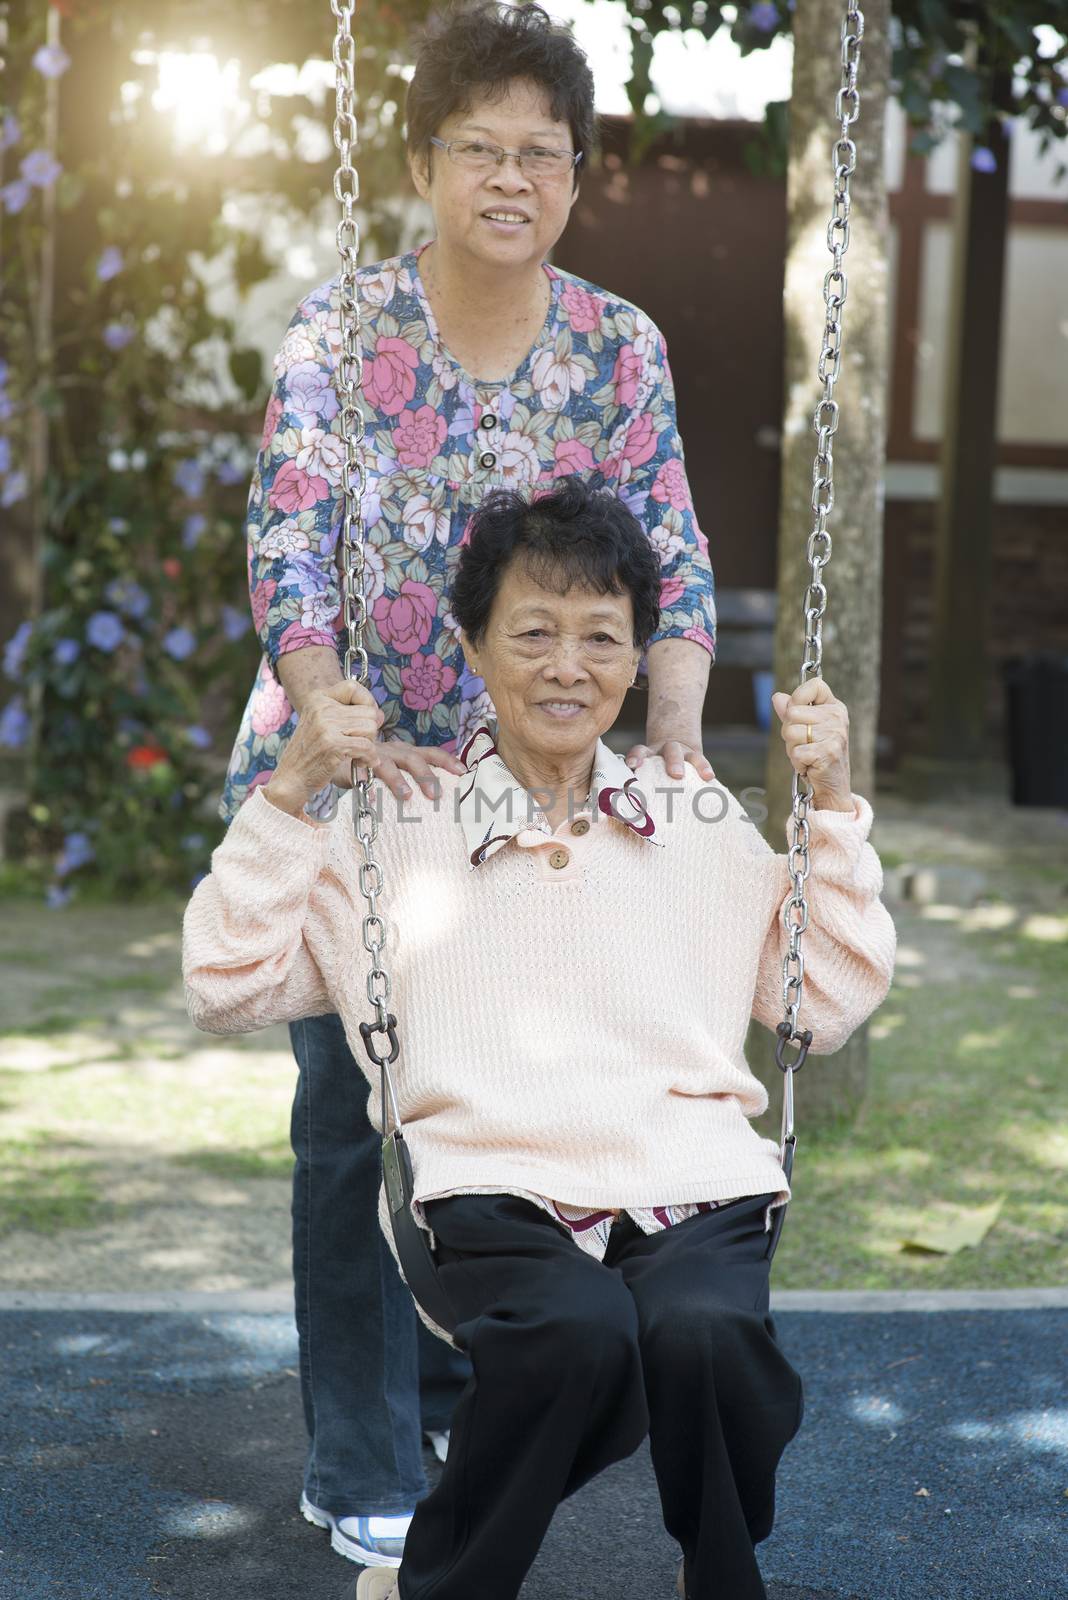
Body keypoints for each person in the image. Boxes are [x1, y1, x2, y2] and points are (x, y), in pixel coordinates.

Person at [187, 478, 897, 1600]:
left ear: (635, 661)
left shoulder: (696, 817)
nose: (569, 664)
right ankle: (448, 1583)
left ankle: (720, 1579)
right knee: (577, 1336)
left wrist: (834, 801)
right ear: (473, 646)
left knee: (707, 1337)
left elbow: (821, 1001)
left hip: (688, 1175)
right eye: (534, 632)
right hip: (490, 1178)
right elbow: (222, 982)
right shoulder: (400, 826)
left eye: (601, 637)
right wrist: (293, 792)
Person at [218, 0, 718, 1565]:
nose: (512, 177)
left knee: (501, 1102)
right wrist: (325, 708)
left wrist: (680, 748)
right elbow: (289, 538)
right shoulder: (343, 331)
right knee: (349, 1106)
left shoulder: (617, 347)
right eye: (479, 149)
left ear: (575, 177)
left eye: (542, 155)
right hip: (358, 767)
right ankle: (358, 1446)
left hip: (531, 788)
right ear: (425, 162)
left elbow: (678, 569)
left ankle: (450, 1371)